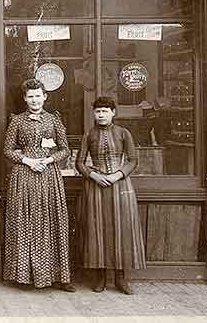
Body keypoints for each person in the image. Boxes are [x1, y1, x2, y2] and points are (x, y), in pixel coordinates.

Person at [2, 78, 75, 291]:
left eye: (38, 96)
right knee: (25, 222)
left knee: (50, 222)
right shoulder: (17, 121)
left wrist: (48, 160)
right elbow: (7, 150)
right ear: (25, 99)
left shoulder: (54, 120)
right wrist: (28, 161)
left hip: (48, 176)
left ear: (45, 96)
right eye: (30, 96)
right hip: (24, 175)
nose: (34, 100)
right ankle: (24, 276)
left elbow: (64, 149)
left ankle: (58, 277)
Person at [75, 96, 146, 294]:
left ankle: (121, 279)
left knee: (121, 230)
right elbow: (79, 163)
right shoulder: (88, 135)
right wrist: (94, 175)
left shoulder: (123, 133)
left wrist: (117, 175)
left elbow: (133, 160)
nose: (101, 115)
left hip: (120, 187)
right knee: (97, 231)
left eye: (105, 111)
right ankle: (101, 278)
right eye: (98, 111)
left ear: (113, 112)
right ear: (94, 114)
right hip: (96, 187)